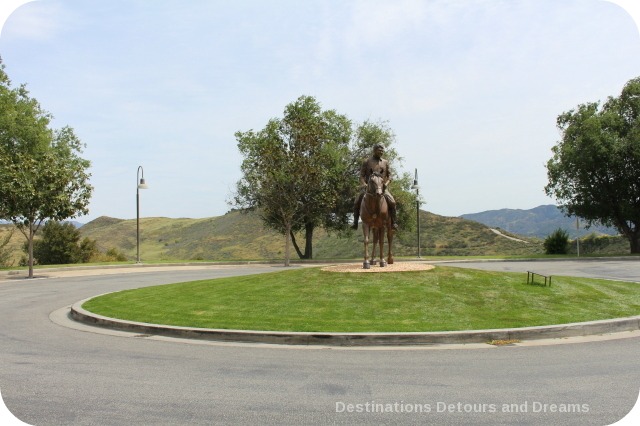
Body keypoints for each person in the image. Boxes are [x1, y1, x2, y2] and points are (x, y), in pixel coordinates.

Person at [351, 143, 398, 230]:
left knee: (393, 202)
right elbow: (361, 176)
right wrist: (364, 184)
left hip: (382, 188)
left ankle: (394, 222)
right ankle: (355, 222)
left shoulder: (385, 162)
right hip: (368, 188)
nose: (381, 152)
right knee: (356, 202)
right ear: (374, 150)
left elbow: (390, 176)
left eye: (382, 150)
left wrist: (386, 184)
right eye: (379, 150)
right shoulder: (367, 161)